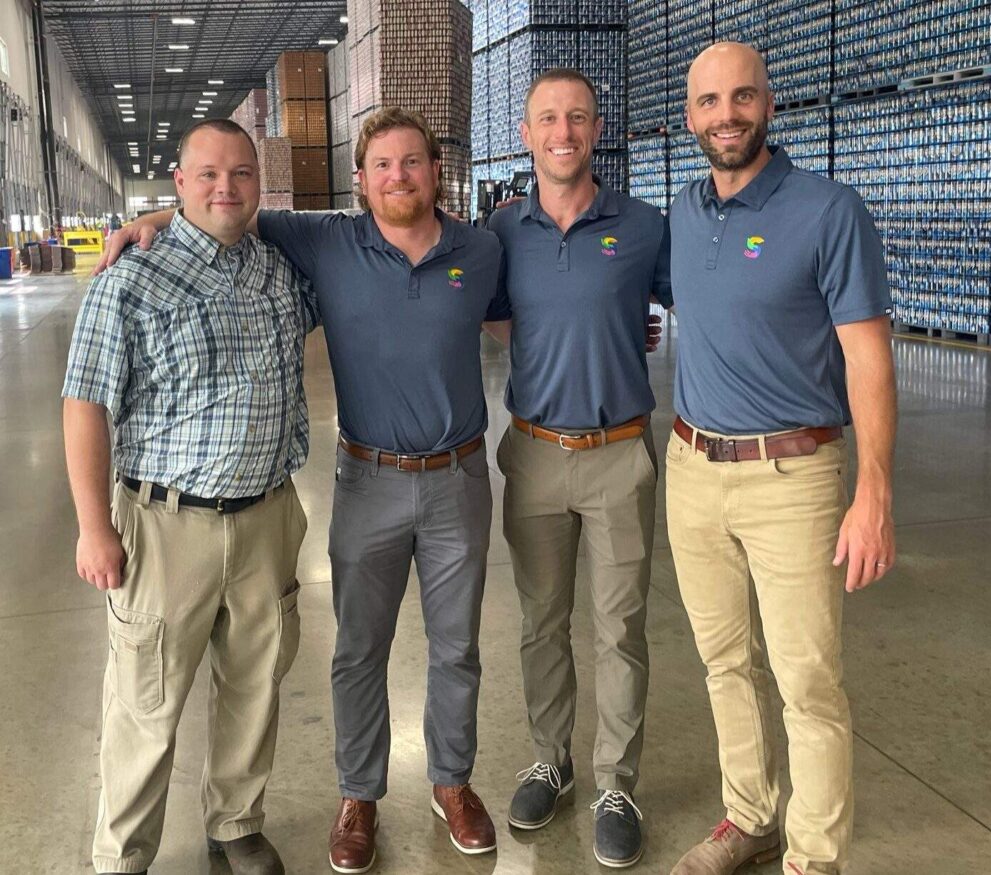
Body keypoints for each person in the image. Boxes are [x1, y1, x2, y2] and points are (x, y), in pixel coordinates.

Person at [101, 107, 509, 874]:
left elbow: (522, 319)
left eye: (412, 161)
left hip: (459, 478)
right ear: (359, 180)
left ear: (435, 170)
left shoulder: (480, 249)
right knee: (358, 650)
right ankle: (359, 796)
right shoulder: (327, 241)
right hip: (367, 480)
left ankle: (452, 782)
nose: (398, 176)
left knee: (457, 646)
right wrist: (156, 214)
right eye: (382, 164)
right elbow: (230, 206)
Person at [665, 43, 897, 875]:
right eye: (710, 101)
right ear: (689, 116)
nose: (726, 114)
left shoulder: (830, 211)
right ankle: (751, 815)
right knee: (725, 662)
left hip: (792, 479)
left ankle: (814, 857)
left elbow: (869, 356)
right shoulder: (685, 214)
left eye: (742, 97)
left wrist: (873, 489)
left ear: (770, 102)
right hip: (691, 469)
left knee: (808, 682)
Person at [64, 119, 317, 875]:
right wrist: (91, 526)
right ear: (178, 183)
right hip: (166, 522)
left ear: (259, 186)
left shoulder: (278, 270)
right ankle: (123, 852)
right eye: (207, 174)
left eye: (241, 174)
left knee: (255, 682)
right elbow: (85, 403)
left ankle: (236, 821)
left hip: (268, 515)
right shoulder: (129, 279)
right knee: (146, 700)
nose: (225, 188)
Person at [487, 68, 671, 869]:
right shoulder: (496, 230)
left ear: (598, 130)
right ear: (525, 135)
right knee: (541, 622)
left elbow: (707, 284)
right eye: (547, 119)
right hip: (532, 454)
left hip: (619, 454)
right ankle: (551, 760)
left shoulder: (643, 225)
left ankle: (616, 783)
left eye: (578, 118)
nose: (563, 132)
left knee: (621, 627)